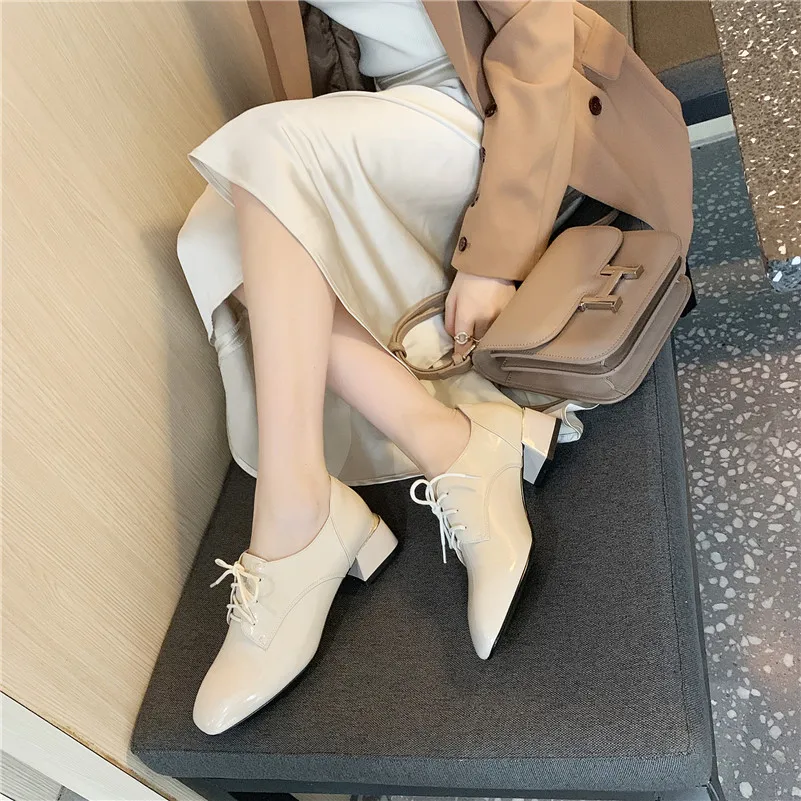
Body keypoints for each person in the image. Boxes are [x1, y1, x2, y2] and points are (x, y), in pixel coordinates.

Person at [178, 0, 693, 735]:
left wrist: (494, 257)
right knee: (214, 224)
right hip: (394, 112)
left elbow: (538, 33)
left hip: (497, 109)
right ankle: (445, 442)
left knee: (262, 147)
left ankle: (294, 525)